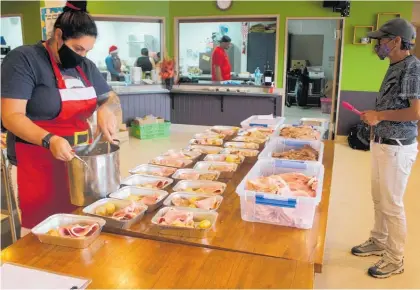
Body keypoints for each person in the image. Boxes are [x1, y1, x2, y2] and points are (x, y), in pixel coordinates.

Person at [1, 0, 120, 229]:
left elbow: (111, 98)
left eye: (87, 51)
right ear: (58, 35)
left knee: (81, 225)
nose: (82, 56)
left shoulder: (84, 66)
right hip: (37, 163)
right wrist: (49, 139)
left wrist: (107, 108)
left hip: (79, 163)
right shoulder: (25, 60)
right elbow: (11, 116)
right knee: (42, 234)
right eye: (77, 48)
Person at [351, 18, 419, 279]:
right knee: (379, 199)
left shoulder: (412, 68)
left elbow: (415, 112)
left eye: (382, 40)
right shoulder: (395, 65)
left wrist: (379, 116)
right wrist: (375, 117)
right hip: (381, 144)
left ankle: (395, 257)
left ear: (397, 41)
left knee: (392, 205)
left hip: (398, 148)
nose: (378, 45)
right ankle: (379, 240)